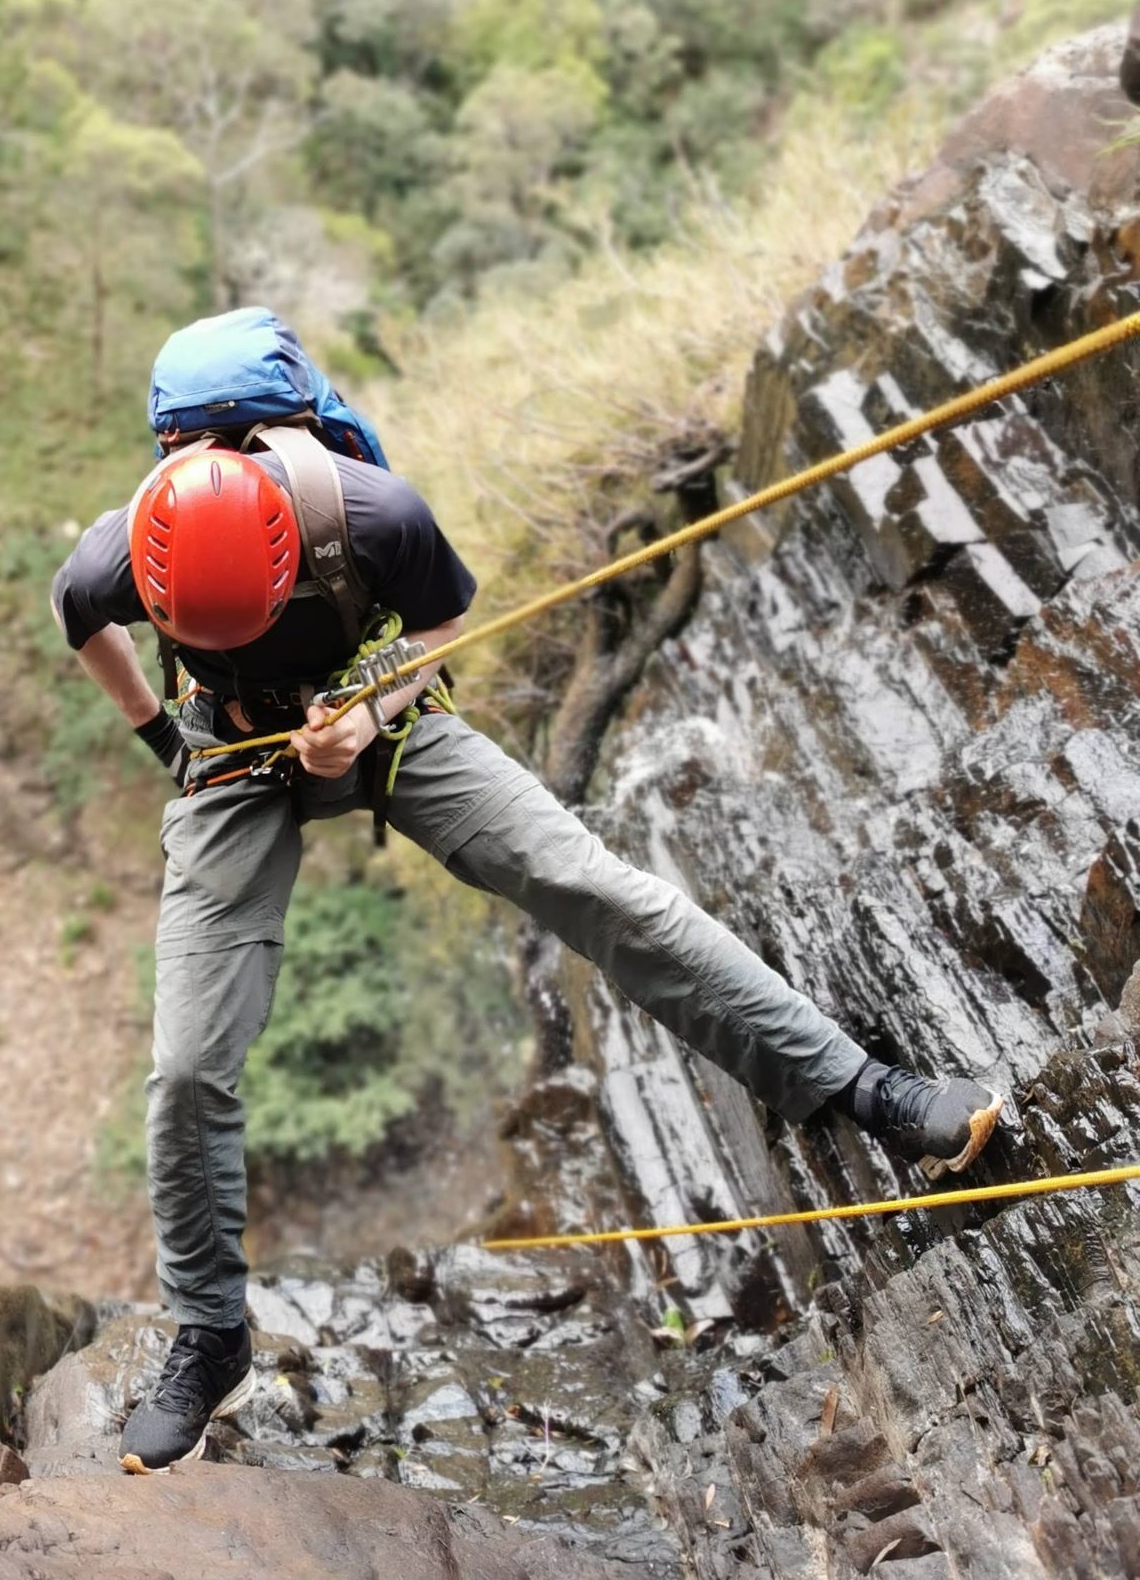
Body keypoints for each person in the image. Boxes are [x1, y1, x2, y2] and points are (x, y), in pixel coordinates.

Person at [50, 325, 1003, 1476]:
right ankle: (211, 1330)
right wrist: (161, 734)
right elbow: (83, 623)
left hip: (382, 718)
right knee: (190, 1063)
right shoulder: (120, 551)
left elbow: (445, 626)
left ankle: (863, 1087)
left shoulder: (371, 512)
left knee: (597, 887)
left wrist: (366, 708)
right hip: (230, 754)